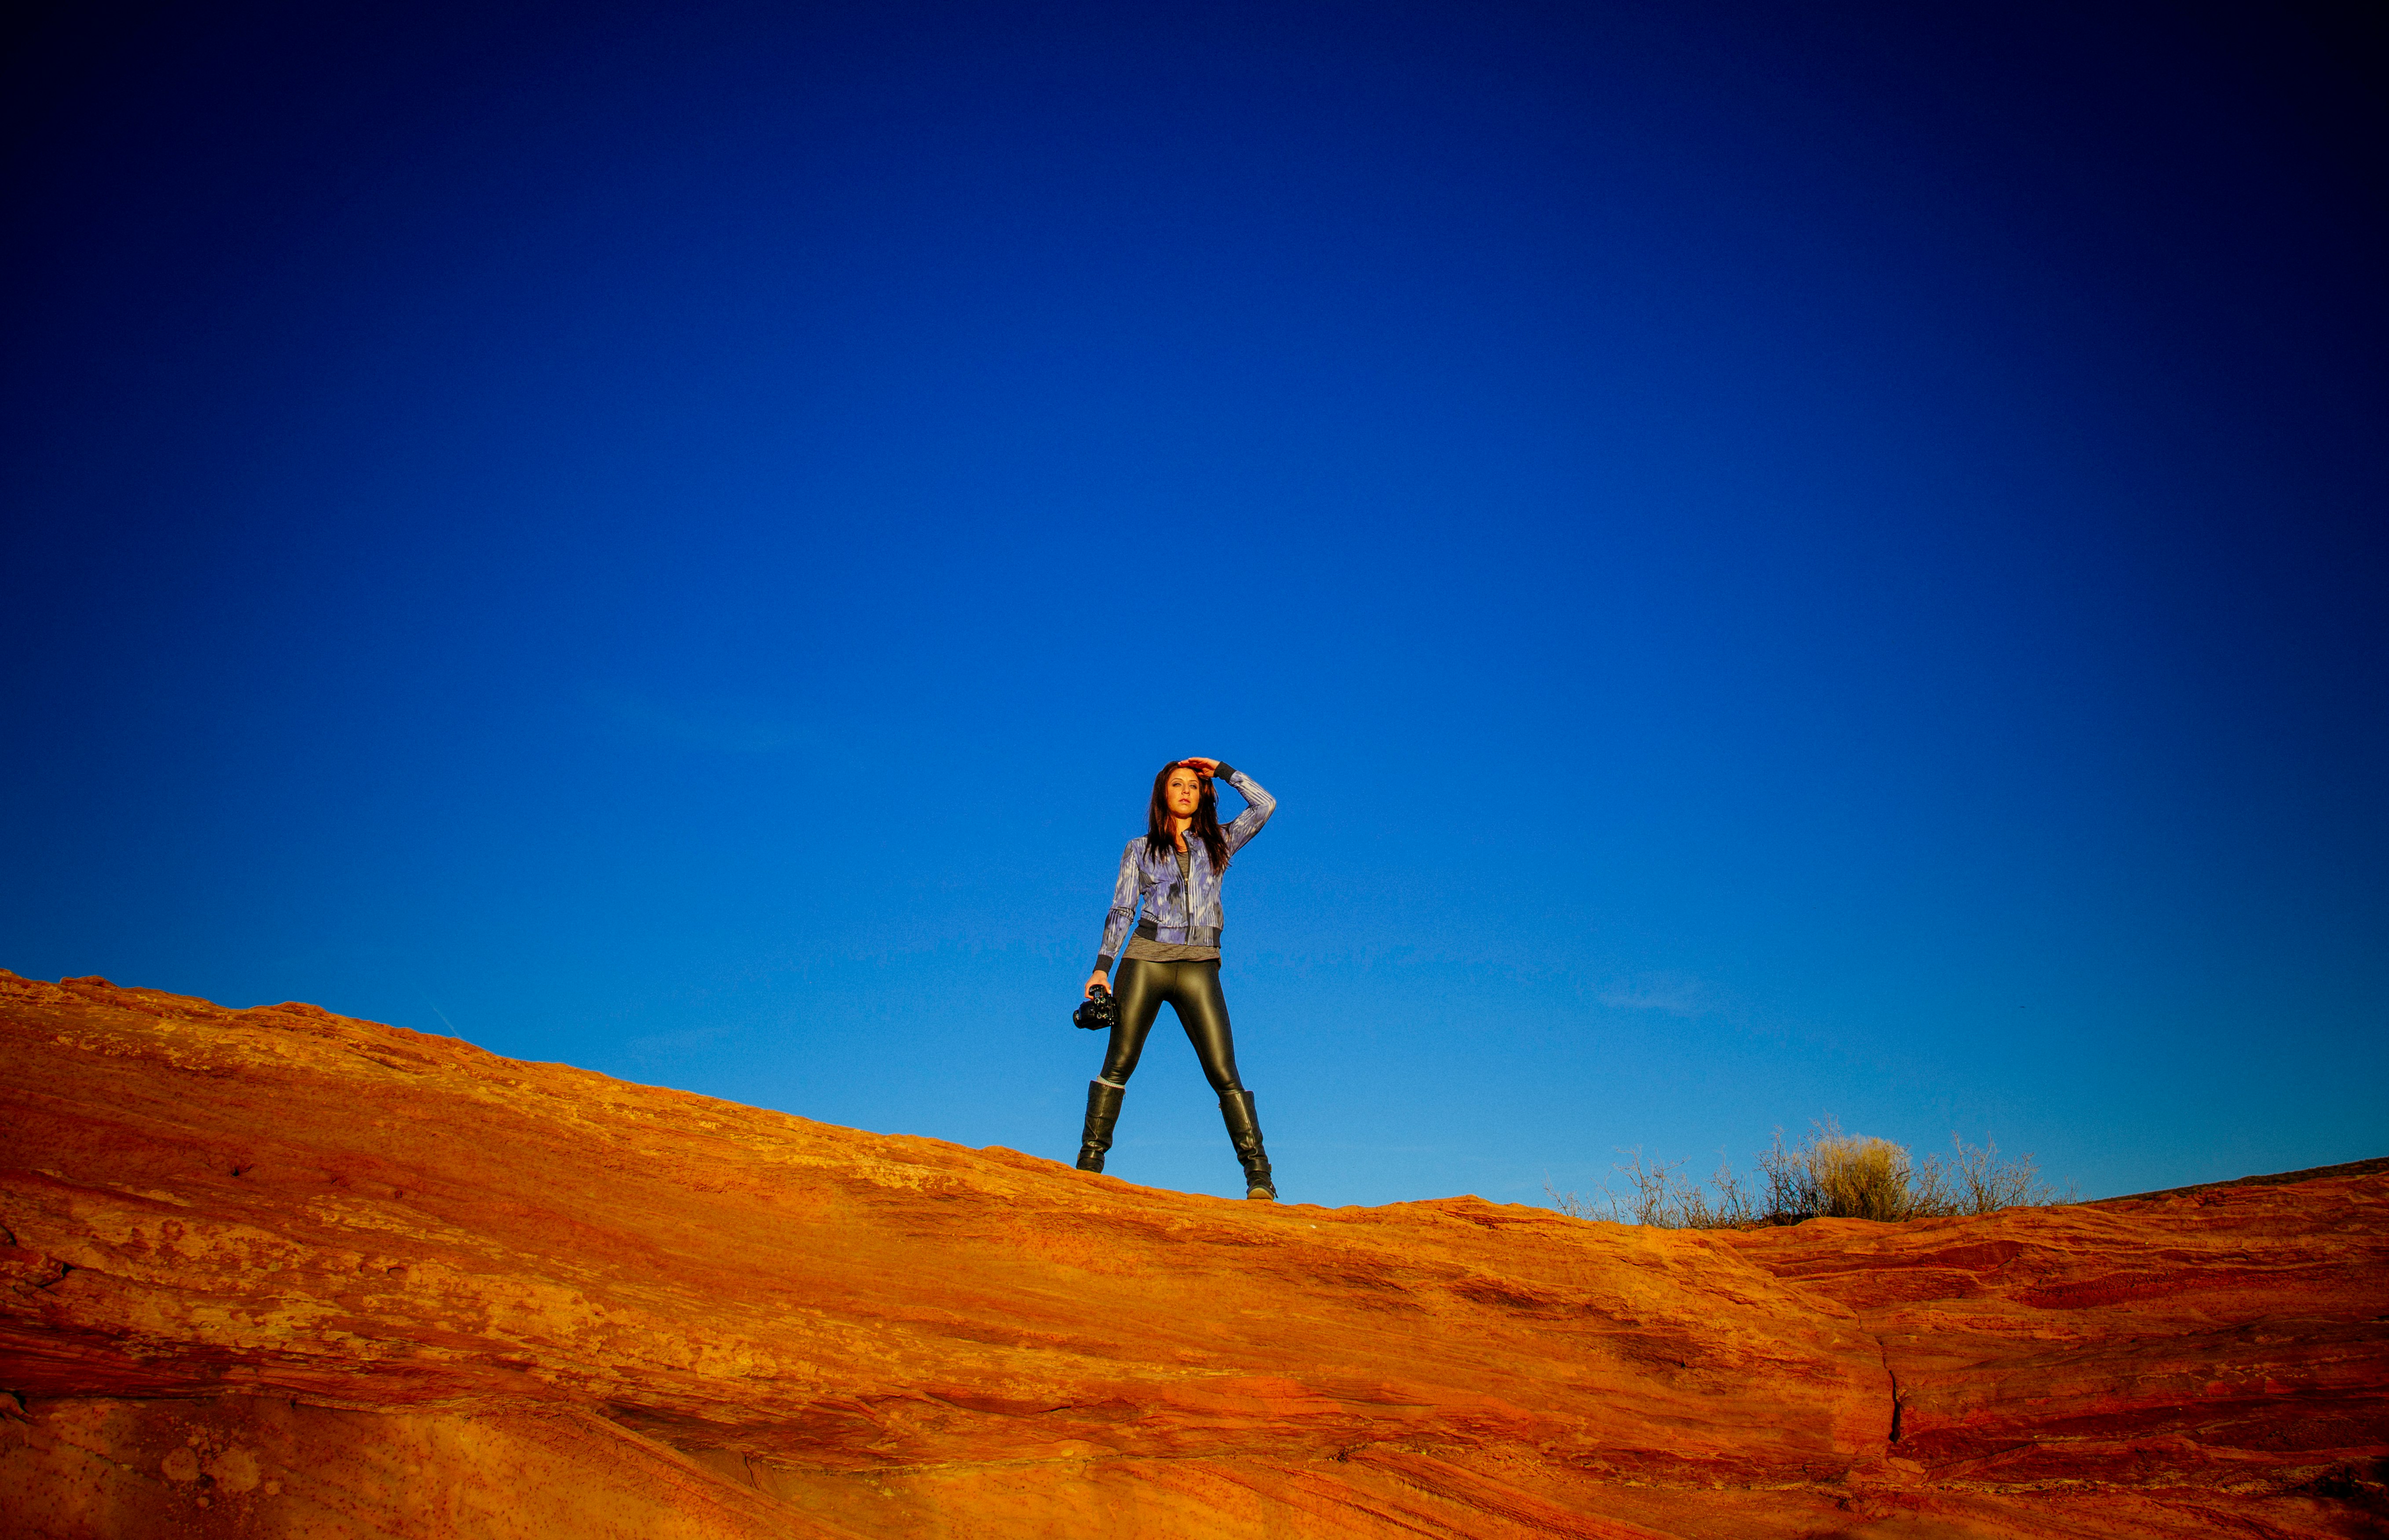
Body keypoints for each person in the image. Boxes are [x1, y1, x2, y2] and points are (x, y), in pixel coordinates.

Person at [1077, 758, 1278, 1199]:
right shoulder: (1138, 849)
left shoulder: (1220, 841)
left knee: (1224, 1070)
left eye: (1192, 785)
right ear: (1162, 794)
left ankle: (1259, 1178)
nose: (1185, 790)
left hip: (1199, 964)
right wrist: (1102, 968)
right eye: (1176, 784)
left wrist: (1224, 771)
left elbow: (1265, 806)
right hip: (1145, 960)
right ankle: (1088, 1167)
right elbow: (1122, 909)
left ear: (1203, 794)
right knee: (1118, 1063)